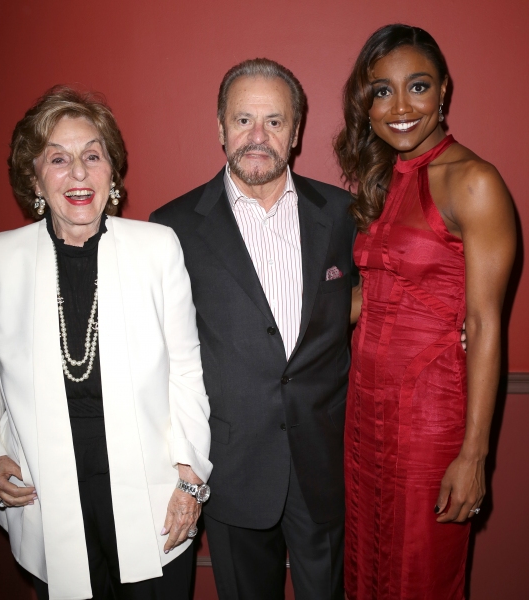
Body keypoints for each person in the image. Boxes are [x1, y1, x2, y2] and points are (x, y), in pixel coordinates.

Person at [150, 58, 357, 600]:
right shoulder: (171, 228)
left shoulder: (343, 215)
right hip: (232, 472)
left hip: (324, 465)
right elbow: (158, 358)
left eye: (274, 121)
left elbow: (378, 299)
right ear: (220, 128)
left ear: (296, 131)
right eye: (243, 120)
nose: (258, 136)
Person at [0, 86, 212, 600]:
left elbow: (187, 371)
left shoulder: (157, 248)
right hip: (47, 496)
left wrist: (190, 479)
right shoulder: (2, 260)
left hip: (152, 494)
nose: (78, 173)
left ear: (112, 171)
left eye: (92, 156)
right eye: (58, 159)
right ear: (34, 177)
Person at [334, 24, 516, 599]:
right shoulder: (380, 178)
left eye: (418, 86)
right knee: (365, 566)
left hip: (430, 417)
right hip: (362, 412)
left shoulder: (475, 182)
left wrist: (475, 453)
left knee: (418, 575)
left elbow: (486, 325)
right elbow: (369, 297)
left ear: (444, 91)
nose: (400, 106)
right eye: (381, 91)